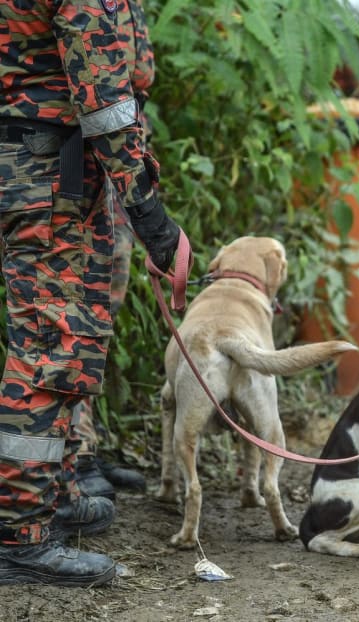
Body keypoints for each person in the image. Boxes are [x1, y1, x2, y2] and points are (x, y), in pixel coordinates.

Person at [0, 0, 181, 586]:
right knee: (52, 344)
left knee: (63, 336)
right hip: (46, 169)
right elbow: (103, 99)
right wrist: (152, 218)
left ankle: (51, 495)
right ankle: (19, 535)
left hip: (41, 163)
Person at [71, 0, 153, 502]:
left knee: (104, 305)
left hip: (114, 158)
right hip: (73, 155)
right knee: (71, 309)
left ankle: (86, 443)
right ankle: (70, 455)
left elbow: (134, 73)